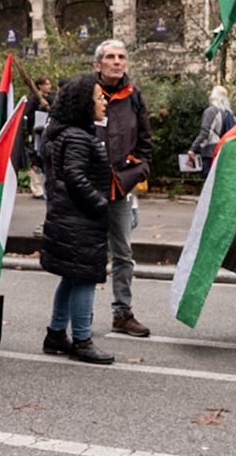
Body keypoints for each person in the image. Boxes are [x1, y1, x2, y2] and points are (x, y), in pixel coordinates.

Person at [38, 77, 115, 365]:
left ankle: (56, 334)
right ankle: (82, 340)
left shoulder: (66, 133)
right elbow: (75, 175)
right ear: (85, 104)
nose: (104, 102)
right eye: (99, 98)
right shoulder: (79, 137)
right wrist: (99, 203)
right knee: (84, 278)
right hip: (80, 219)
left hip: (69, 216)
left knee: (71, 277)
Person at [93, 39, 154, 337]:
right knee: (87, 252)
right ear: (98, 64)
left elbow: (145, 141)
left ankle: (122, 313)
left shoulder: (134, 95)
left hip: (119, 188)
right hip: (88, 188)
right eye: (110, 57)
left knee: (123, 254)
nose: (117, 62)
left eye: (122, 57)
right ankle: (81, 315)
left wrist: (135, 171)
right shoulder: (85, 94)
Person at [190, 84, 236, 167]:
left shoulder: (211, 111)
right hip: (224, 151)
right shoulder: (230, 114)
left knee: (210, 177)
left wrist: (193, 149)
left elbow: (206, 132)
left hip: (211, 152)